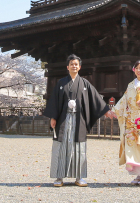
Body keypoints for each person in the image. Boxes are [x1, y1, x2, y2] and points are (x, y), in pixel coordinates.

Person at [43, 54, 115, 187]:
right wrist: (53, 117)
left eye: (76, 64)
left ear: (80, 67)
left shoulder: (85, 83)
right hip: (63, 119)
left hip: (79, 119)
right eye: (71, 64)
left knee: (79, 147)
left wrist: (106, 111)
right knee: (61, 146)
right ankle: (59, 177)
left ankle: (79, 177)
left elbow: (95, 98)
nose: (74, 66)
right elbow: (55, 101)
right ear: (67, 66)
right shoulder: (61, 83)